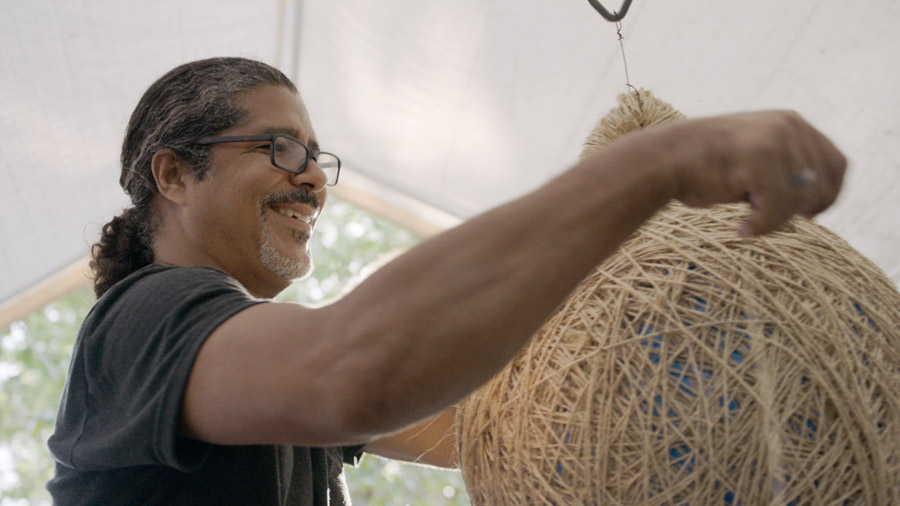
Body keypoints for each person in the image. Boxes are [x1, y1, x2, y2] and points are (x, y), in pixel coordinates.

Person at [46, 56, 845, 505]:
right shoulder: (145, 318)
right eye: (281, 148)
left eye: (317, 159)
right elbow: (358, 370)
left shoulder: (256, 380)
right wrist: (658, 167)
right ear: (175, 175)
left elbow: (499, 428)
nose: (313, 181)